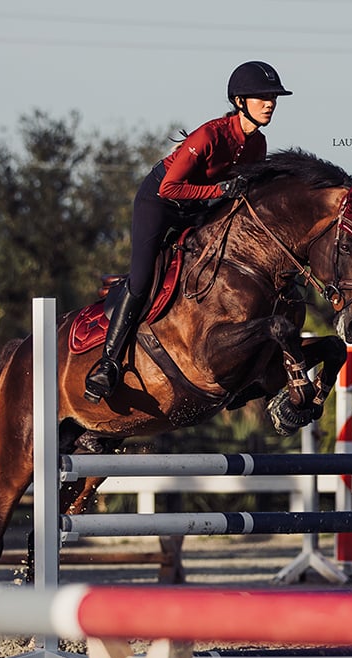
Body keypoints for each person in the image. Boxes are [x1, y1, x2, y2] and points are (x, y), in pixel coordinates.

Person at [84, 60, 293, 403]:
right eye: (261, 96)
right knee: (141, 279)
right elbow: (170, 187)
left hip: (198, 208)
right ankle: (108, 363)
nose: (270, 102)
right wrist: (219, 192)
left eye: (273, 96)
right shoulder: (210, 135)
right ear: (240, 102)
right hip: (160, 202)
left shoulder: (258, 145)